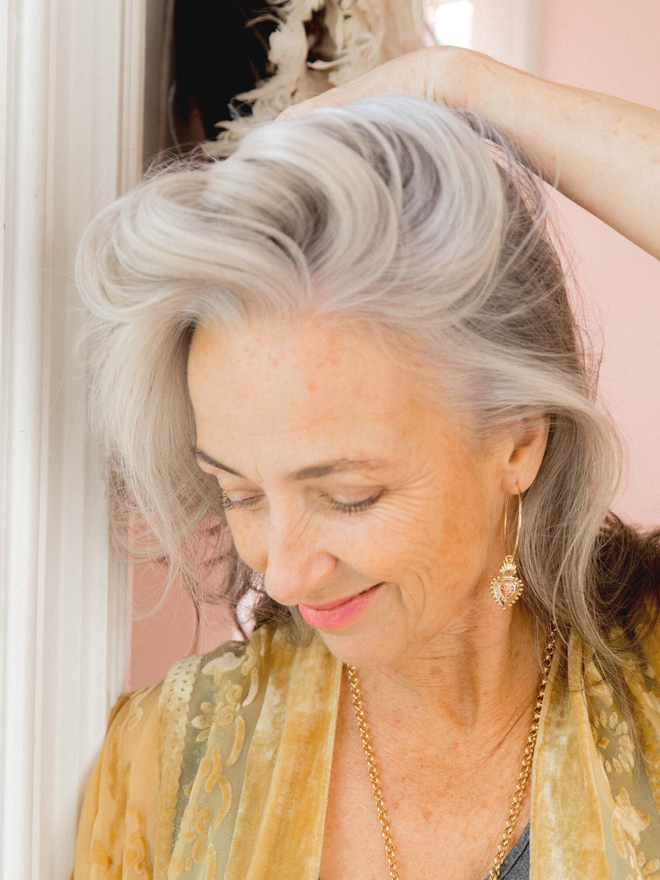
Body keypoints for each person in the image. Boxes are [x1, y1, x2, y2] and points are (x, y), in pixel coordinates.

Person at [71, 47, 660, 880]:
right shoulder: (178, 762)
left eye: (348, 495)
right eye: (239, 493)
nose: (281, 574)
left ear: (520, 441)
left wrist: (459, 85)